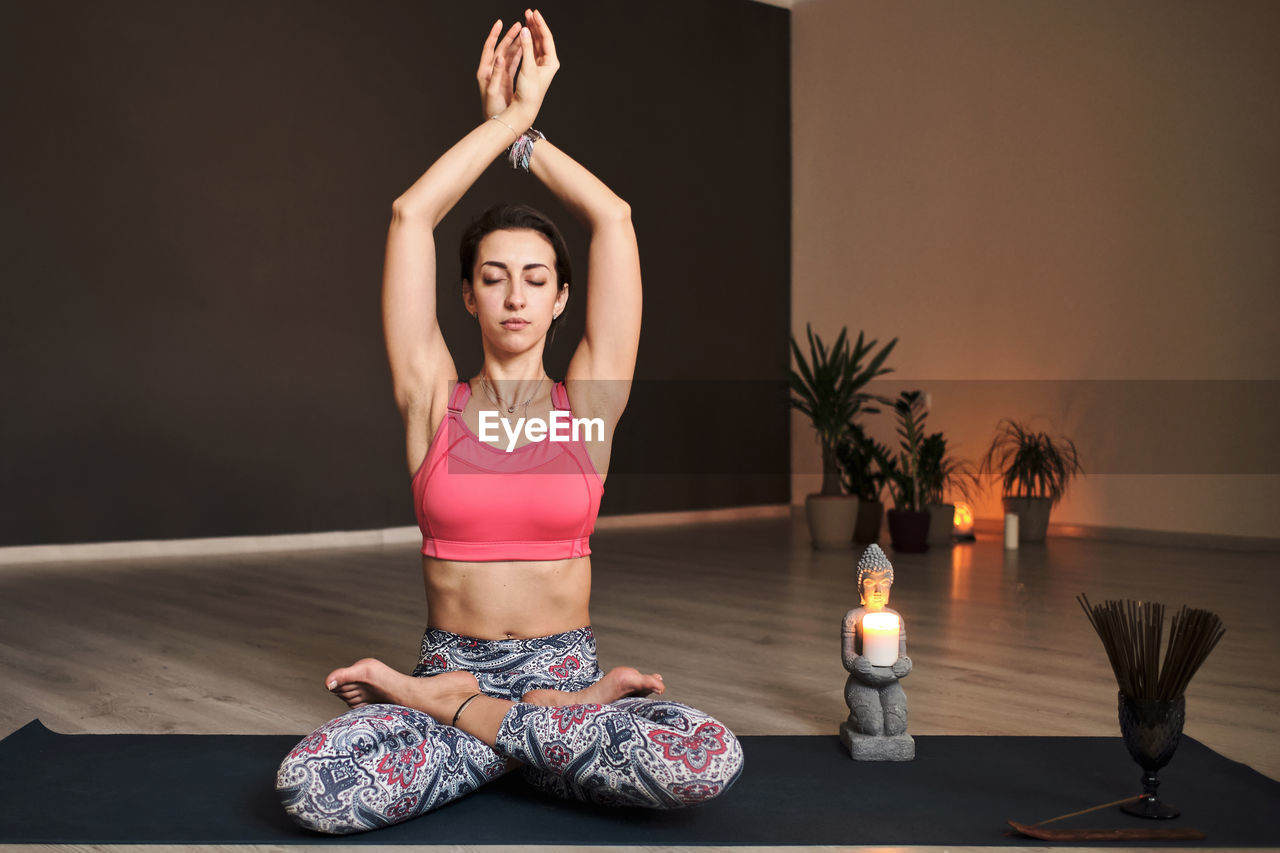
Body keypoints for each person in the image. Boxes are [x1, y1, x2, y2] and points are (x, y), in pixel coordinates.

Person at [275, 9, 743, 835]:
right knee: (313, 786)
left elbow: (616, 218)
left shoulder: (589, 401)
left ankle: (454, 714)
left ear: (563, 298)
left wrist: (529, 139)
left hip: (562, 671)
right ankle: (502, 724)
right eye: (494, 277)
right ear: (468, 294)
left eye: (535, 278)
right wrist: (501, 124)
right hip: (487, 672)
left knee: (708, 756)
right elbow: (410, 215)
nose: (516, 294)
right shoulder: (431, 398)